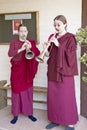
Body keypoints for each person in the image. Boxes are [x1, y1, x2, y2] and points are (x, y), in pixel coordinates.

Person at [44, 15, 78, 130]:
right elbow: (50, 54)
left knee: (66, 97)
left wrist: (59, 45)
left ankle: (70, 123)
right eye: (55, 25)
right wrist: (45, 49)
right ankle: (55, 119)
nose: (56, 27)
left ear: (65, 24)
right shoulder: (52, 36)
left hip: (65, 72)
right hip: (53, 70)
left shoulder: (70, 38)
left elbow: (71, 57)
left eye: (58, 24)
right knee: (54, 97)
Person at [8, 24, 40, 124]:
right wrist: (22, 48)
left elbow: (37, 54)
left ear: (27, 32)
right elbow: (10, 54)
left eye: (25, 31)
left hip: (27, 72)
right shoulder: (14, 42)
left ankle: (29, 113)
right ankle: (15, 114)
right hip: (17, 72)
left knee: (28, 93)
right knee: (16, 92)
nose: (23, 33)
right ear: (18, 32)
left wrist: (31, 48)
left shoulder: (31, 42)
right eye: (21, 31)